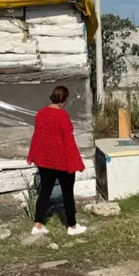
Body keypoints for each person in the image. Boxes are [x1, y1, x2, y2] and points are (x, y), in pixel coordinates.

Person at [27, 86, 87, 236]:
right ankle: (72, 227)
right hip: (62, 161)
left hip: (45, 161)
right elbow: (68, 141)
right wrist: (76, 163)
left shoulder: (41, 114)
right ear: (65, 100)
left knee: (45, 191)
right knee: (67, 193)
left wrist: (33, 155)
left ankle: (38, 225)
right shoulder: (62, 116)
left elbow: (37, 137)